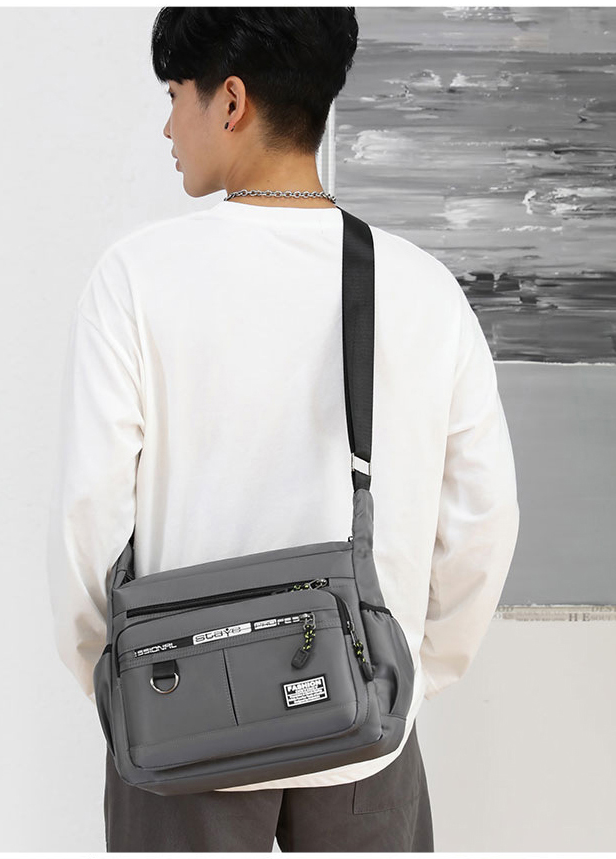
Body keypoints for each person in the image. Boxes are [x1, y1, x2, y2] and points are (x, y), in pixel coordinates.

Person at [47, 7, 520, 852]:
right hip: (365, 738)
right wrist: (406, 679)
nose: (167, 126)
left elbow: (90, 518)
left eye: (174, 96)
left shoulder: (136, 279)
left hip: (182, 737)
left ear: (230, 101)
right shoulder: (422, 289)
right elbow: (482, 523)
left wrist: (122, 688)